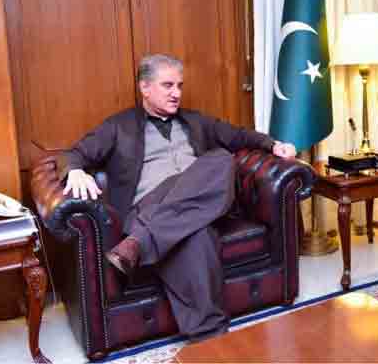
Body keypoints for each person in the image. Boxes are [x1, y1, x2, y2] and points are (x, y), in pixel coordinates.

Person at [62, 54, 297, 341]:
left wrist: (273, 145)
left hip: (197, 205)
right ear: (145, 88)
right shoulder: (117, 126)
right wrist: (74, 171)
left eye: (180, 86)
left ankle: (140, 241)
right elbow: (72, 154)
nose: (177, 93)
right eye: (168, 85)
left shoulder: (196, 121)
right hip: (150, 205)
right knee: (196, 234)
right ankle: (212, 338)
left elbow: (237, 136)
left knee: (221, 159)